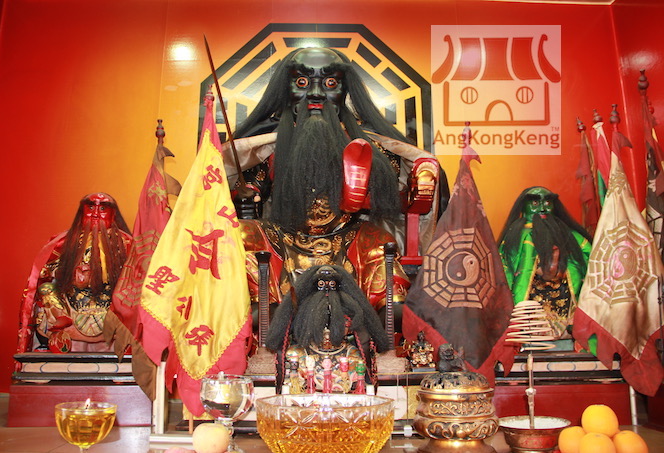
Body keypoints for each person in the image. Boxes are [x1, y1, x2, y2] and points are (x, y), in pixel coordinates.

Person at [221, 47, 446, 326]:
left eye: (329, 83)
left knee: (380, 243)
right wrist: (243, 196)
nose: (316, 93)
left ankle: (389, 307)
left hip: (347, 237)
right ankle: (263, 305)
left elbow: (398, 193)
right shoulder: (266, 147)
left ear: (344, 91)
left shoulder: (368, 146)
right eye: (302, 82)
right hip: (282, 237)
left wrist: (422, 176)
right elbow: (244, 189)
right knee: (242, 235)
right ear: (286, 90)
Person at [17, 193, 132, 353]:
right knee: (45, 290)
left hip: (110, 305)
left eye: (102, 209)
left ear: (113, 214)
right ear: (82, 212)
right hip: (71, 305)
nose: (96, 214)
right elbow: (44, 273)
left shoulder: (127, 244)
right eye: (90, 207)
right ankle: (60, 331)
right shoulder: (63, 242)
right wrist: (66, 273)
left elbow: (139, 276)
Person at [498, 186, 592, 341]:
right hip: (530, 320)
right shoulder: (517, 239)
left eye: (547, 203)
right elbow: (506, 275)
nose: (542, 208)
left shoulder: (573, 238)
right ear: (524, 206)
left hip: (567, 317)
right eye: (535, 203)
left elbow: (591, 268)